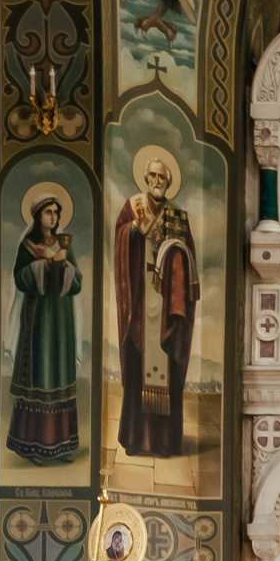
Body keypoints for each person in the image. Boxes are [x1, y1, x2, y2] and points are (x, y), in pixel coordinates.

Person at [115, 146, 196, 458]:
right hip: (140, 300)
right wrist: (133, 230)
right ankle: (136, 440)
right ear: (145, 178)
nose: (157, 180)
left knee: (168, 370)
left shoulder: (176, 215)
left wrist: (176, 254)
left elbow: (189, 255)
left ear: (168, 181)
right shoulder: (133, 206)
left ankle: (164, 443)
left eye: (163, 176)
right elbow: (120, 238)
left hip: (166, 305)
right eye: (153, 175)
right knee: (138, 374)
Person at [9, 188, 81, 465]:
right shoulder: (27, 246)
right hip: (38, 318)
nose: (53, 217)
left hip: (61, 319)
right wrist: (44, 263)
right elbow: (20, 278)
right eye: (48, 212)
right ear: (38, 216)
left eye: (56, 213)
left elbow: (77, 283)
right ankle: (33, 445)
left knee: (60, 374)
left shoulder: (65, 246)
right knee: (39, 375)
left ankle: (62, 446)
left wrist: (64, 264)